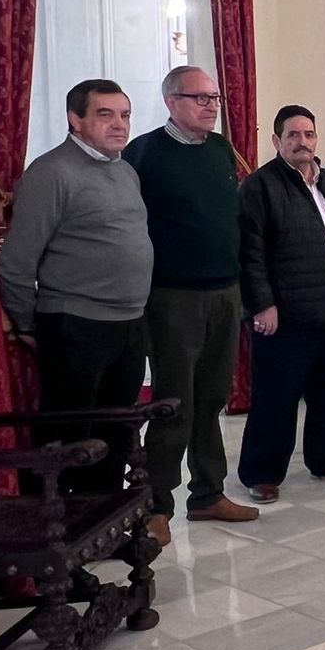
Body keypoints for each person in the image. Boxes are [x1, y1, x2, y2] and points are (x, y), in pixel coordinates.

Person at [0, 79, 153, 497]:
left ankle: (102, 524)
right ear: (75, 120)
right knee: (70, 438)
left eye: (124, 115)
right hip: (75, 324)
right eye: (105, 114)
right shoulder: (52, 172)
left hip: (128, 323)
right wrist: (31, 325)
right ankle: (57, 539)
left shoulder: (124, 170)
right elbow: (15, 262)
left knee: (117, 431)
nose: (120, 124)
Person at [122, 67, 255, 543]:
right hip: (173, 296)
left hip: (224, 291)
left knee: (213, 396)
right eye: (199, 98)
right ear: (171, 101)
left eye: (213, 97)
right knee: (173, 401)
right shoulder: (145, 152)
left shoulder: (221, 150)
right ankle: (155, 504)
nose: (211, 105)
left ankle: (208, 494)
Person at [236, 106, 325, 502]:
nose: (302, 142)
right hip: (287, 312)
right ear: (277, 142)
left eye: (308, 134)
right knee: (276, 398)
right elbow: (251, 252)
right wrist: (262, 305)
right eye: (293, 135)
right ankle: (261, 472)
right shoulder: (260, 187)